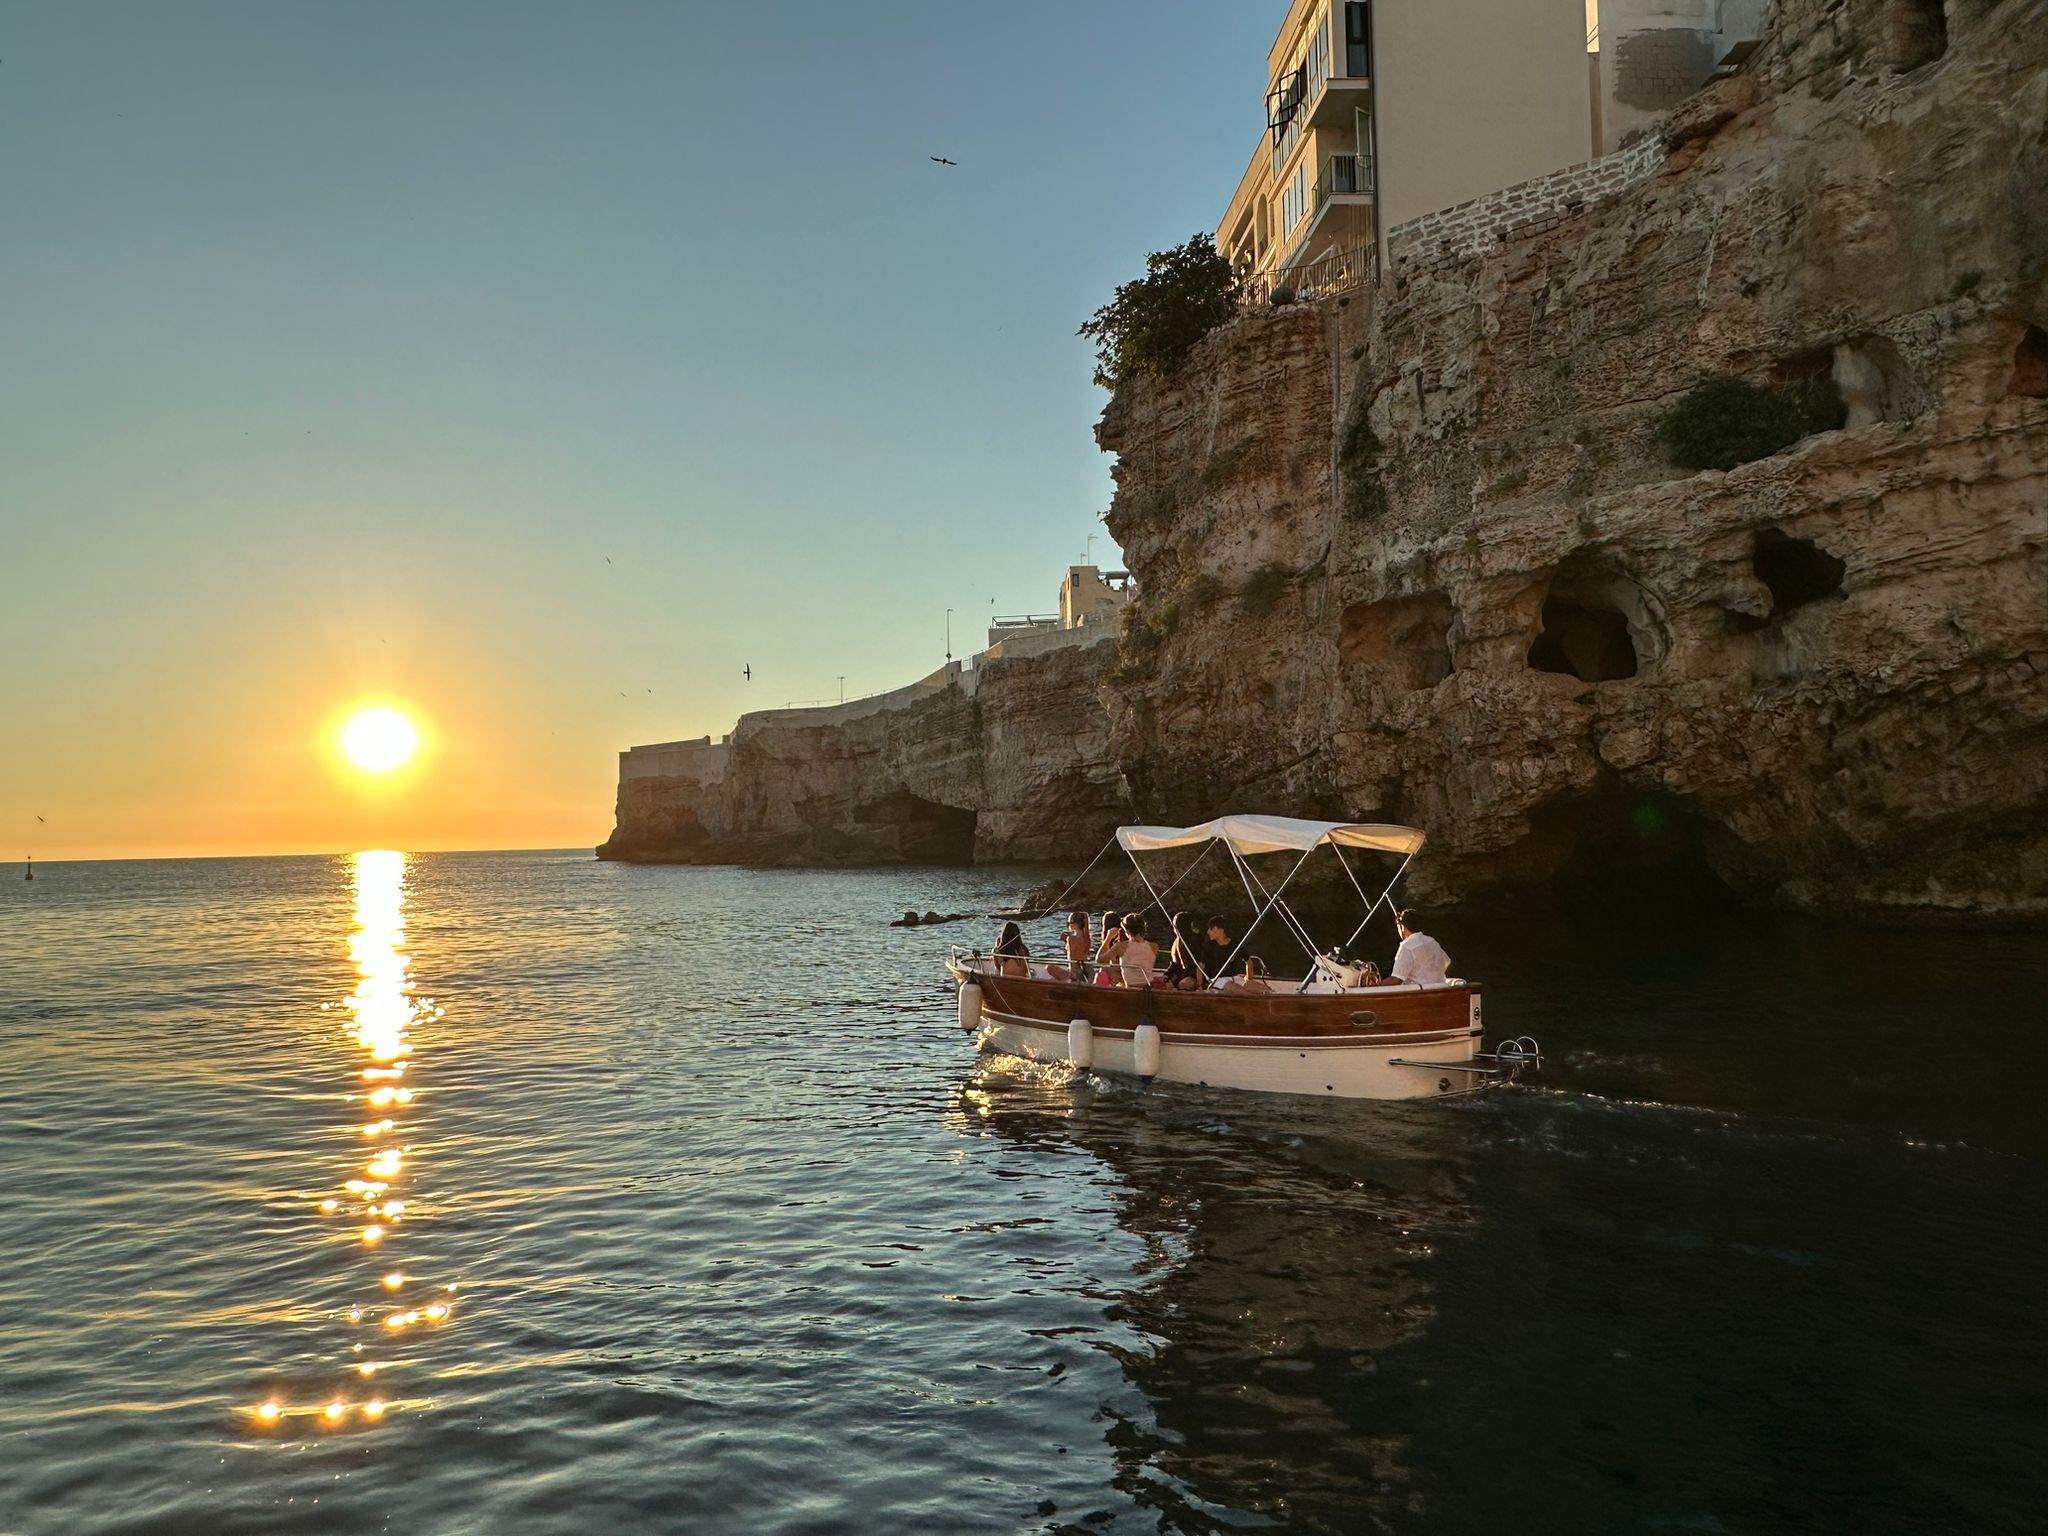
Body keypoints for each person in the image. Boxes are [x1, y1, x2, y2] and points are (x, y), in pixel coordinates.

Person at [1389, 909, 1450, 985]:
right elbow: (1446, 962)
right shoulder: (1432, 941)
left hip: (1418, 990)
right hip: (1439, 988)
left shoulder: (1406, 946)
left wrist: (1377, 985)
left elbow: (1396, 979)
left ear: (1402, 927)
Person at [1162, 911, 1205, 990]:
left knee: (1184, 983)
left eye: (1175, 926)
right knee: (1164, 983)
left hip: (1195, 975)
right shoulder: (1177, 942)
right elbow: (1174, 964)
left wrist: (1176, 980)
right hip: (1182, 974)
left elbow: (1197, 965)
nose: (1174, 929)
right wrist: (1167, 975)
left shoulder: (1197, 941)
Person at [1116, 913, 1159, 989]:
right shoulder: (1154, 947)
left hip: (1131, 989)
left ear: (1128, 931)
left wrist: (1108, 938)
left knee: (1118, 984)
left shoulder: (1121, 946)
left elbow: (1100, 959)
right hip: (1148, 988)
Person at [1049, 909, 1092, 982]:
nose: (1068, 925)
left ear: (1075, 924)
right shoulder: (1087, 938)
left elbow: (1072, 958)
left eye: (1069, 923)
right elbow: (1080, 952)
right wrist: (1066, 943)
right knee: (1053, 979)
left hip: (1076, 973)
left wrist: (1072, 977)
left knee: (1049, 967)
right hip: (1085, 971)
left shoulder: (1071, 939)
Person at [1197, 916, 1237, 986]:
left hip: (1233, 978)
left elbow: (1248, 960)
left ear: (1221, 930)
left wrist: (1249, 978)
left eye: (1211, 929)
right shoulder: (1209, 946)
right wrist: (1200, 985)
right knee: (1230, 986)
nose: (1208, 932)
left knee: (1251, 985)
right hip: (1217, 980)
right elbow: (1201, 966)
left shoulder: (1234, 944)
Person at [1092, 911, 1126, 987]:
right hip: (1118, 978)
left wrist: (1108, 937)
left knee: (1103, 970)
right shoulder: (1124, 941)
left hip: (1119, 980)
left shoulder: (1118, 944)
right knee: (1103, 969)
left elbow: (1099, 960)